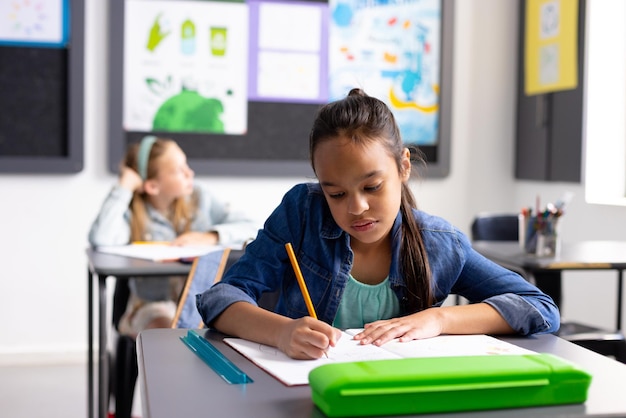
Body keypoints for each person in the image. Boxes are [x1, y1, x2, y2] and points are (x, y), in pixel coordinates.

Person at [196, 89, 560, 359]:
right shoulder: (302, 212)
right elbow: (222, 298)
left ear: (403, 167)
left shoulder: (439, 243)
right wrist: (282, 333)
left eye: (372, 187)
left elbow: (539, 307)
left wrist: (438, 319)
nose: (357, 207)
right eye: (335, 193)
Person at [89, 136, 258, 337]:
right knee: (167, 331)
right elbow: (101, 237)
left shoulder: (200, 199)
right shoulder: (133, 214)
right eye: (179, 170)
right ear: (152, 186)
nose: (190, 173)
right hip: (151, 306)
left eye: (186, 165)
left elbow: (252, 226)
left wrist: (211, 235)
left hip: (200, 300)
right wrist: (124, 186)